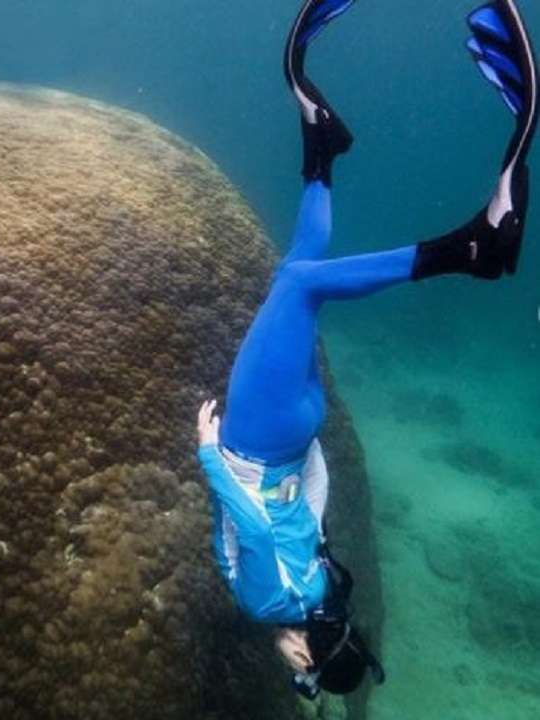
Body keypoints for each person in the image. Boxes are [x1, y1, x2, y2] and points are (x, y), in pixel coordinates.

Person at [196, 0, 537, 699]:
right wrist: (210, 451)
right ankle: (469, 248)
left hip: (294, 434)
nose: (291, 670)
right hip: (259, 441)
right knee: (297, 288)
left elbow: (314, 501)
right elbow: (255, 532)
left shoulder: (324, 588)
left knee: (302, 266)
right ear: (308, 654)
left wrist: (304, 440)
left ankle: (321, 146)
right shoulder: (270, 605)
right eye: (302, 670)